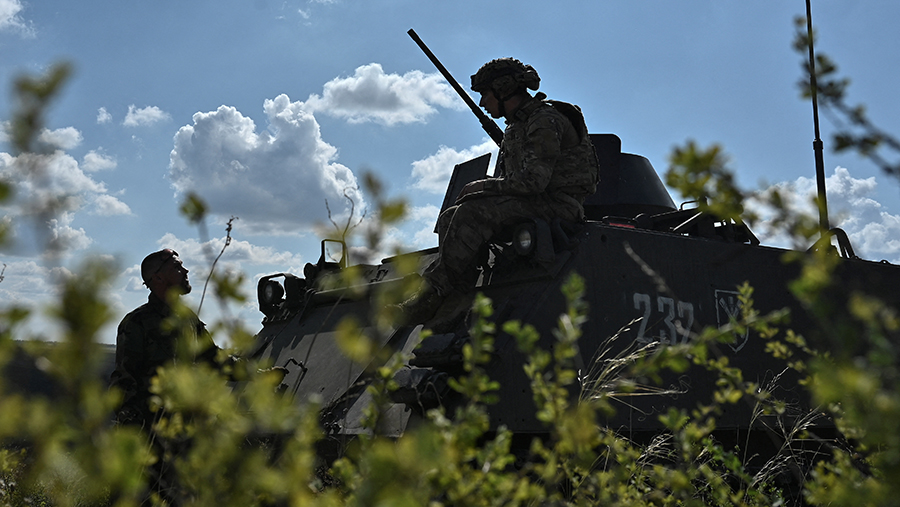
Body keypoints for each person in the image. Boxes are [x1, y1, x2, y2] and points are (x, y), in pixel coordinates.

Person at [397, 58, 601, 323]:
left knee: (472, 211)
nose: (483, 102)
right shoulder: (517, 126)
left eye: (485, 94)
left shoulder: (543, 120)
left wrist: (483, 185)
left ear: (503, 89)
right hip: (535, 202)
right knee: (450, 216)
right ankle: (456, 297)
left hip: (558, 205)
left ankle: (429, 295)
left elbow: (534, 182)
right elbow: (515, 182)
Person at [109, 248, 223, 428]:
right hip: (154, 429)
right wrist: (133, 425)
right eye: (177, 267)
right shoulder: (137, 323)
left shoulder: (188, 319)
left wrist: (255, 371)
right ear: (158, 278)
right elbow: (124, 381)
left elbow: (213, 358)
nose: (185, 271)